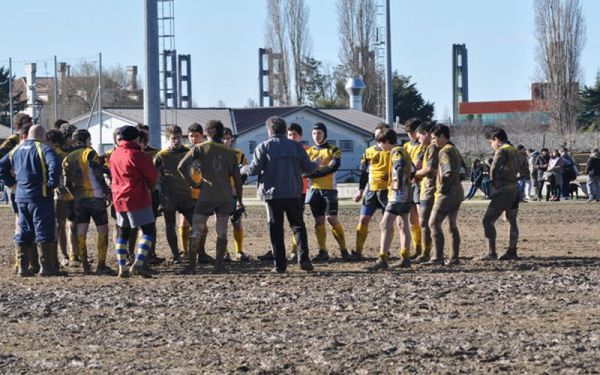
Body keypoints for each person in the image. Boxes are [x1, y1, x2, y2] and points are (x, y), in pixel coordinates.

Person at [241, 116, 318, 273]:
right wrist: (317, 163)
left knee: (276, 229)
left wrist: (242, 168)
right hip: (293, 192)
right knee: (298, 226)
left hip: (272, 195)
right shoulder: (297, 147)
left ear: (269, 130)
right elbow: (309, 168)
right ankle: (304, 260)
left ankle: (280, 265)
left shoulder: (263, 147)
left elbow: (254, 170)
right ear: (284, 129)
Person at [178, 120, 243, 274]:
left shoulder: (200, 148)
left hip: (206, 195)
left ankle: (192, 266)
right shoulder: (230, 153)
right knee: (222, 230)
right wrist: (240, 199)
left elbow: (181, 166)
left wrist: (193, 183)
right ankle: (219, 265)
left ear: (206, 133)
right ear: (222, 134)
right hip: (225, 196)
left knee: (197, 228)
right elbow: (237, 179)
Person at [0, 125, 62, 276]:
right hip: (39, 196)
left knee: (24, 229)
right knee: (43, 230)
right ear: (43, 136)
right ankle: (46, 267)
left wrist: (11, 183)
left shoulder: (16, 150)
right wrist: (52, 184)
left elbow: (1, 165)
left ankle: (23, 267)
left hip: (20, 196)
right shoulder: (43, 149)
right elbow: (55, 164)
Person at [109, 126, 159, 278]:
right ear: (135, 138)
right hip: (137, 196)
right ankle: (138, 263)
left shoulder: (114, 154)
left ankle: (122, 266)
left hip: (118, 198)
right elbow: (152, 176)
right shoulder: (138, 155)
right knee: (148, 230)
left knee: (123, 233)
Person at [63, 129, 112, 275]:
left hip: (78, 198)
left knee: (81, 229)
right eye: (89, 140)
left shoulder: (67, 158)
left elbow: (66, 182)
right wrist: (106, 191)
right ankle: (101, 265)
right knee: (102, 229)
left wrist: (70, 198)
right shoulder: (90, 153)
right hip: (95, 196)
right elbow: (98, 174)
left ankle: (85, 265)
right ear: (86, 140)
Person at [479, 126, 527, 261]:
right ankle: (512, 251)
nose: (491, 145)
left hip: (503, 191)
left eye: (491, 142)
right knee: (512, 221)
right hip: (515, 190)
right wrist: (514, 178)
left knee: (487, 221)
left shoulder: (502, 151)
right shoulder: (517, 152)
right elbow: (525, 172)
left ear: (496, 140)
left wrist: (495, 185)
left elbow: (493, 170)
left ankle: (491, 252)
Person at [305, 122, 351, 262]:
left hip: (329, 190)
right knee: (318, 221)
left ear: (325, 134)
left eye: (319, 133)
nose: (316, 136)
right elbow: (304, 169)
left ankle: (344, 250)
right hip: (314, 191)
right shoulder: (309, 151)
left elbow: (333, 167)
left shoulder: (334, 150)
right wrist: (313, 172)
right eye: (314, 133)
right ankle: (323, 251)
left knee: (331, 219)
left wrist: (313, 172)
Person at [367, 128, 412, 271]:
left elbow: (399, 166)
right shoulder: (404, 150)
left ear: (387, 141)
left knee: (385, 224)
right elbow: (413, 170)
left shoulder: (396, 152)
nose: (380, 146)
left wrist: (397, 181)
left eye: (381, 142)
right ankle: (405, 257)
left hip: (398, 194)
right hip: (407, 192)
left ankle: (383, 258)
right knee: (403, 223)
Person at [154, 125, 195, 263]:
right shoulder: (161, 155)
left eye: (178, 138)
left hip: (186, 195)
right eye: (173, 138)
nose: (176, 141)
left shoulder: (188, 151)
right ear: (168, 139)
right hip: (168, 198)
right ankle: (176, 254)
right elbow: (154, 174)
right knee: (170, 226)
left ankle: (192, 253)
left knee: (196, 224)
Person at [352, 122, 391, 261]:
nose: (378, 137)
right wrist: (360, 191)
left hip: (387, 192)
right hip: (371, 192)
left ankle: (385, 251)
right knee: (363, 220)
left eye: (381, 134)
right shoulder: (368, 152)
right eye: (376, 134)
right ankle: (357, 251)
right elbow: (363, 173)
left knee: (387, 223)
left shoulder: (393, 151)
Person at [426, 124, 464, 265]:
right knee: (452, 224)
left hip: (447, 194)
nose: (434, 142)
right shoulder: (455, 149)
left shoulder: (444, 152)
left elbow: (447, 173)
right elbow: (463, 171)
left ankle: (437, 257)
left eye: (435, 138)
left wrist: (443, 189)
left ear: (442, 136)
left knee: (433, 223)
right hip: (458, 192)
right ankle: (454, 257)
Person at [44, 129, 77, 268]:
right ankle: (62, 255)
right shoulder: (54, 153)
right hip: (60, 193)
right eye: (71, 136)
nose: (73, 139)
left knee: (73, 223)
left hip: (73, 192)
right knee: (60, 225)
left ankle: (74, 253)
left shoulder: (74, 151)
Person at [222, 127, 250, 261]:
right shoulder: (216, 154)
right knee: (221, 223)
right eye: (223, 138)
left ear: (231, 139)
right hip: (220, 195)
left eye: (228, 138)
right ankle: (224, 251)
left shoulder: (239, 154)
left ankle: (239, 251)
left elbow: (244, 174)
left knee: (236, 222)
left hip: (235, 195)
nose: (226, 141)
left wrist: (237, 189)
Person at [413, 122, 439, 263]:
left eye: (419, 137)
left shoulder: (432, 148)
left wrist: (414, 174)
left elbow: (429, 169)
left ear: (426, 134)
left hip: (430, 190)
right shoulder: (426, 149)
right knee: (426, 222)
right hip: (426, 189)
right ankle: (427, 252)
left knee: (426, 222)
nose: (418, 140)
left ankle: (428, 253)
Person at [286, 122, 309, 263]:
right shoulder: (284, 150)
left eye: (294, 134)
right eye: (289, 134)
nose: (292, 137)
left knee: (297, 222)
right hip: (285, 191)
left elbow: (309, 168)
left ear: (300, 136)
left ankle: (296, 250)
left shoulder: (305, 150)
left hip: (299, 191)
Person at [403, 118, 425, 259]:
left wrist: (406, 169)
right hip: (407, 184)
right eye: (408, 133)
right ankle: (417, 248)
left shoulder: (423, 146)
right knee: (412, 219)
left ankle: (425, 249)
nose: (410, 135)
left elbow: (417, 164)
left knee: (421, 216)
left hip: (419, 183)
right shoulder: (405, 146)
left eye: (412, 132)